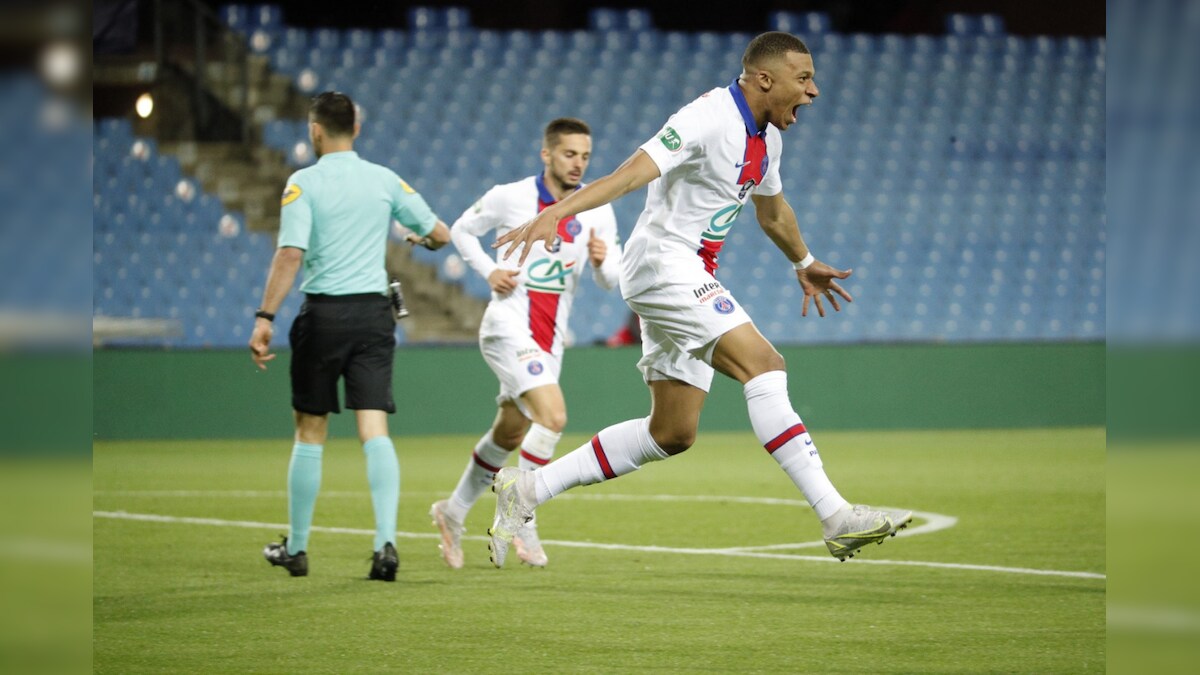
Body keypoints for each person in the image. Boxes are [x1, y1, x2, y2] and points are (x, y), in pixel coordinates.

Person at [487, 32, 912, 568]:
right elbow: (630, 175)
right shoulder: (707, 116)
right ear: (765, 79)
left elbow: (772, 212)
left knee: (672, 432)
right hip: (665, 263)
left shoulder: (769, 141)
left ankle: (527, 490)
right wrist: (559, 211)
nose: (813, 91)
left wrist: (804, 263)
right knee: (765, 365)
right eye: (803, 79)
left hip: (682, 272)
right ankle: (835, 515)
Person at [249, 91, 451, 580]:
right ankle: (386, 546)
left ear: (314, 130)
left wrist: (264, 317)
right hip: (372, 317)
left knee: (310, 429)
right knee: (373, 429)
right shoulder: (383, 180)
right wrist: (418, 237)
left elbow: (290, 255)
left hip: (322, 316)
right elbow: (440, 233)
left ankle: (297, 549)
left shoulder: (303, 183)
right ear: (356, 129)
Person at [429, 118, 622, 569]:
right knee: (553, 416)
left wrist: (601, 265)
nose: (578, 164)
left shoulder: (597, 208)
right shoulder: (510, 195)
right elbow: (461, 229)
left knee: (511, 431)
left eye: (585, 156)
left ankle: (452, 511)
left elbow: (612, 279)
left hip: (549, 340)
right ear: (547, 154)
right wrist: (488, 272)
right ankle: (521, 516)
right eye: (569, 154)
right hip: (507, 325)